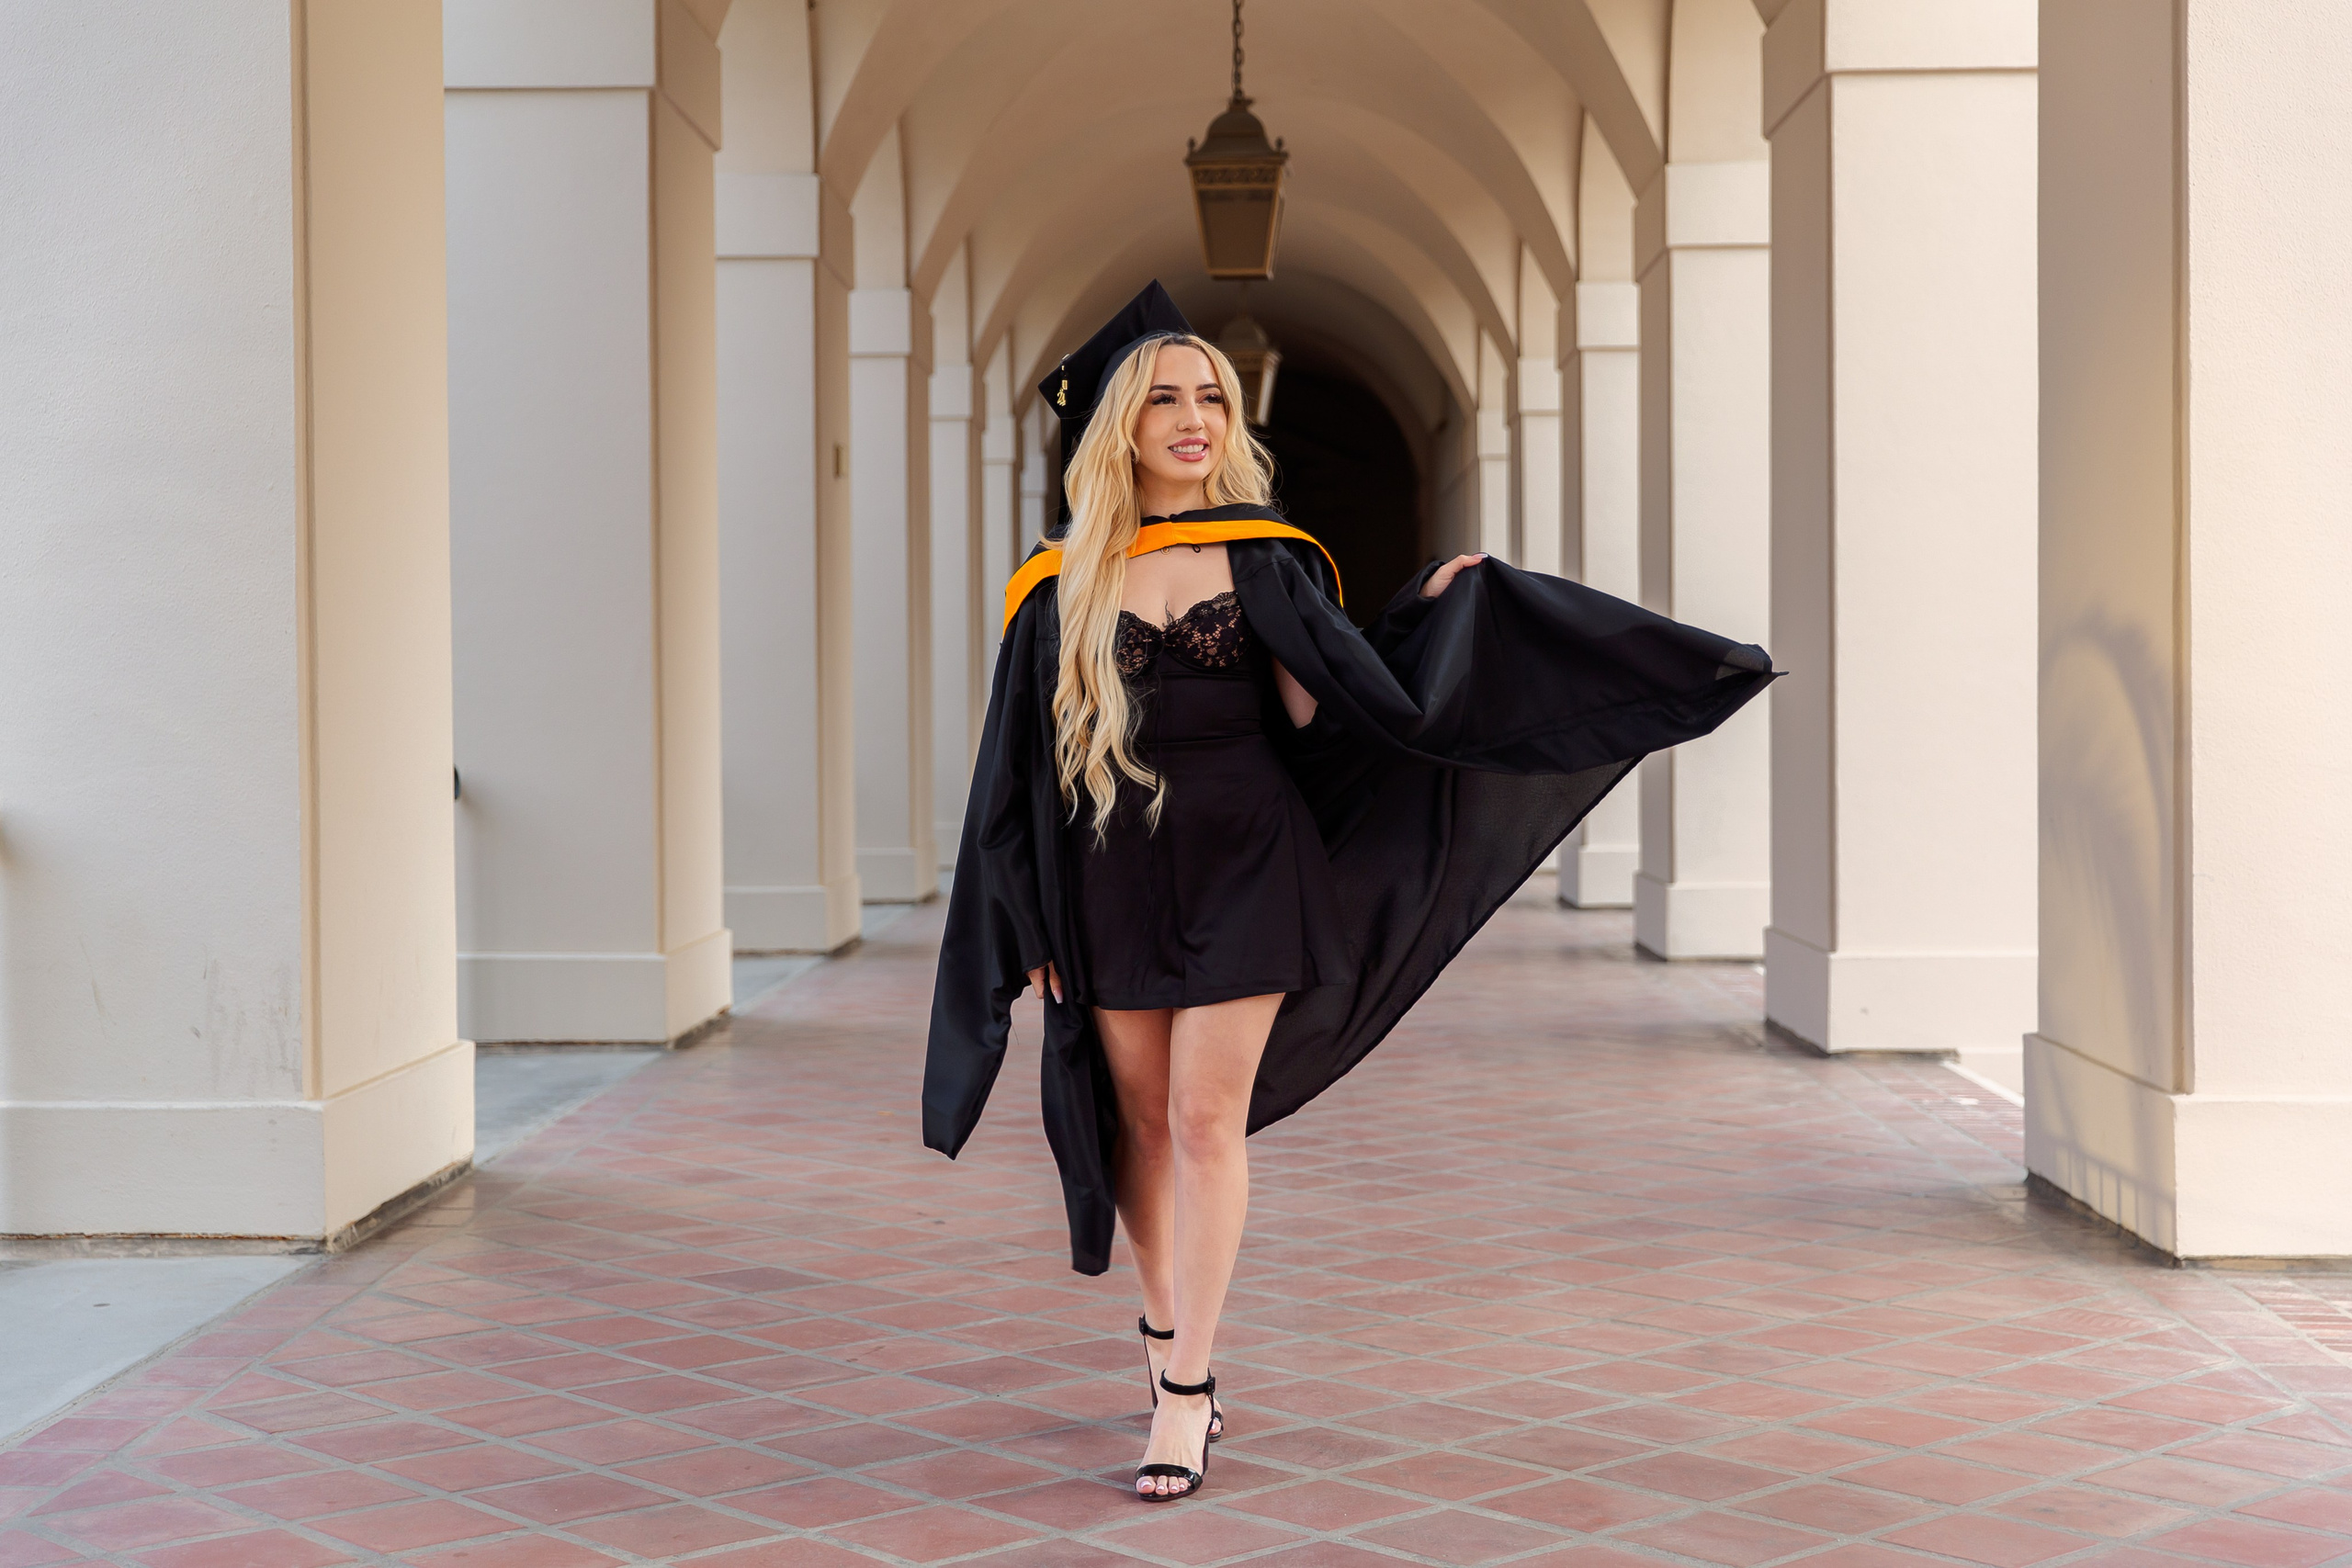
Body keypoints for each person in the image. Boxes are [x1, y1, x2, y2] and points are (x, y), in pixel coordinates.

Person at [923, 283, 1774, 1502]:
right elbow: (1013, 776)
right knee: (1140, 1129)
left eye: (1210, 397)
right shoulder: (1053, 590)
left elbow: (1344, 716)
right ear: (1119, 426)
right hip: (1107, 876)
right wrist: (1019, 925)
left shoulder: (1269, 562)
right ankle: (1165, 1335)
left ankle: (1186, 1393)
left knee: (1207, 1122)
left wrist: (1430, 617)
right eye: (1164, 398)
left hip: (1250, 865)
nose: (1193, 417)